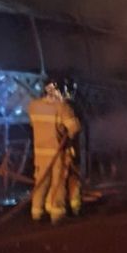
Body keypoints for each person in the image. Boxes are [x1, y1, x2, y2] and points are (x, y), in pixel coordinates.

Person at [27, 77, 82, 222]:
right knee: (58, 183)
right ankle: (57, 214)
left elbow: (33, 125)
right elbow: (74, 128)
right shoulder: (62, 107)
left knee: (41, 183)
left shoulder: (33, 106)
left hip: (40, 153)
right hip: (58, 154)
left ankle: (36, 213)